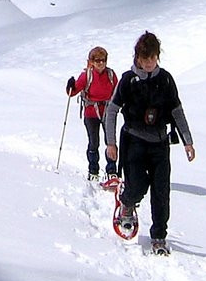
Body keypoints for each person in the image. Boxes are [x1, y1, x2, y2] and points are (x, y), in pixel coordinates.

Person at [105, 32, 195, 255]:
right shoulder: (127, 80)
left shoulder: (165, 80)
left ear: (157, 57)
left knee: (161, 192)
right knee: (137, 185)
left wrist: (188, 141)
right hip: (133, 142)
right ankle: (127, 202)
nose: (148, 63)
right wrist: (110, 143)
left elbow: (177, 111)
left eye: (152, 58)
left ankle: (159, 236)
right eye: (144, 58)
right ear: (137, 57)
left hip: (160, 144)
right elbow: (112, 111)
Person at [66, 47, 120, 184]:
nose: (100, 63)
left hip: (108, 112)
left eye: (103, 60)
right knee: (94, 142)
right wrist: (70, 86)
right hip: (91, 112)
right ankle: (93, 170)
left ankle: (111, 171)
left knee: (110, 141)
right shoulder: (87, 75)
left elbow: (119, 91)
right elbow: (72, 92)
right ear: (92, 62)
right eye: (97, 61)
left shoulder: (110, 75)